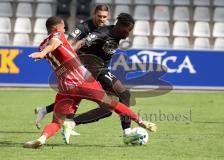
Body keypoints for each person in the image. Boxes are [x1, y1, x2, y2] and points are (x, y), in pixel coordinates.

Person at [23, 16, 156, 149]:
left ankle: (42, 138)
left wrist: (44, 52)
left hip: (65, 86)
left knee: (57, 122)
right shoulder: (57, 35)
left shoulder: (41, 45)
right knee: (111, 104)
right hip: (82, 79)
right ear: (57, 28)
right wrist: (44, 53)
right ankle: (141, 122)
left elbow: (52, 46)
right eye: (64, 27)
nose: (65, 30)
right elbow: (54, 43)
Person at [34, 5, 137, 144]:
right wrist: (69, 58)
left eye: (104, 17)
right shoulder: (97, 32)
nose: (129, 33)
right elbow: (78, 43)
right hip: (92, 69)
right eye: (128, 30)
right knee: (124, 95)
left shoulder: (114, 32)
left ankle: (56, 115)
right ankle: (127, 132)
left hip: (96, 69)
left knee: (106, 108)